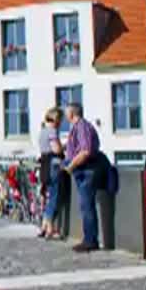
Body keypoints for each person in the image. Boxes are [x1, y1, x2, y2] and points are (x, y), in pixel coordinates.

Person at [63, 102, 102, 252]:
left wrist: (70, 167)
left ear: (72, 113)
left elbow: (85, 151)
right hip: (82, 171)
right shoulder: (77, 128)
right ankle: (89, 239)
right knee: (85, 205)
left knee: (87, 205)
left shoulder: (82, 127)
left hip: (87, 170)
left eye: (67, 112)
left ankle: (90, 240)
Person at [38, 108, 66, 239]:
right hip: (54, 165)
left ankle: (43, 226)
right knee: (55, 196)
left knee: (49, 195)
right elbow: (56, 148)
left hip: (45, 165)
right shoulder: (52, 132)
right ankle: (49, 226)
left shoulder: (42, 132)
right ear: (56, 119)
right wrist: (63, 147)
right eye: (60, 120)